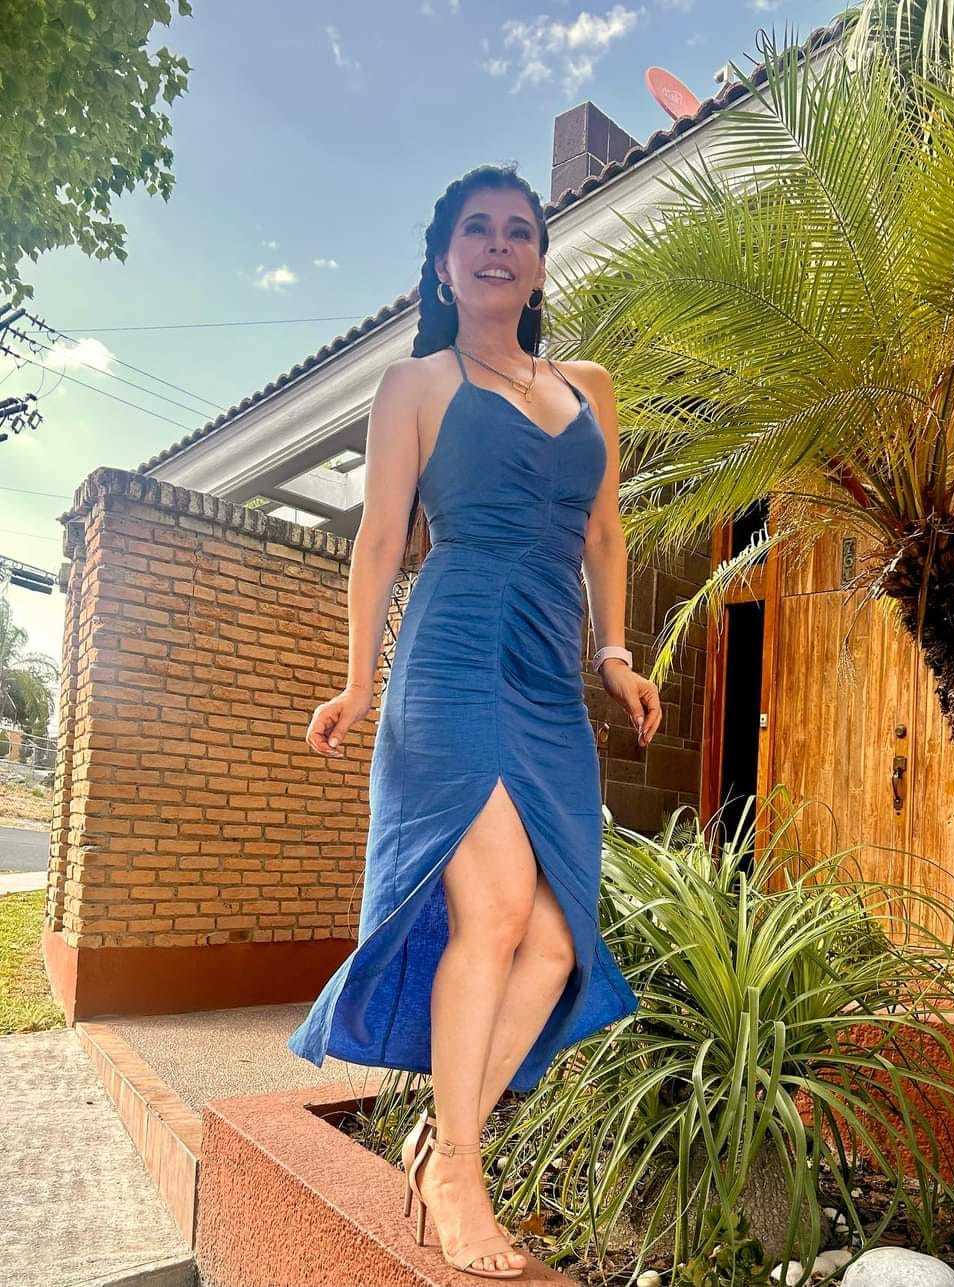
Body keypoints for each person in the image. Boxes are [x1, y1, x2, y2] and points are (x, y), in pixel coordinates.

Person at [286, 163, 661, 1279]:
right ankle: (459, 1169)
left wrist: (614, 653)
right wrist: (357, 681)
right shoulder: (415, 384)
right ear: (445, 264)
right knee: (492, 908)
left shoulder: (589, 386)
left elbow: (604, 535)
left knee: (554, 940)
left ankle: (438, 1145)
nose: (500, 245)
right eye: (477, 230)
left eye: (520, 231)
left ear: (539, 263)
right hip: (451, 657)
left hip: (548, 675)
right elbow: (378, 542)